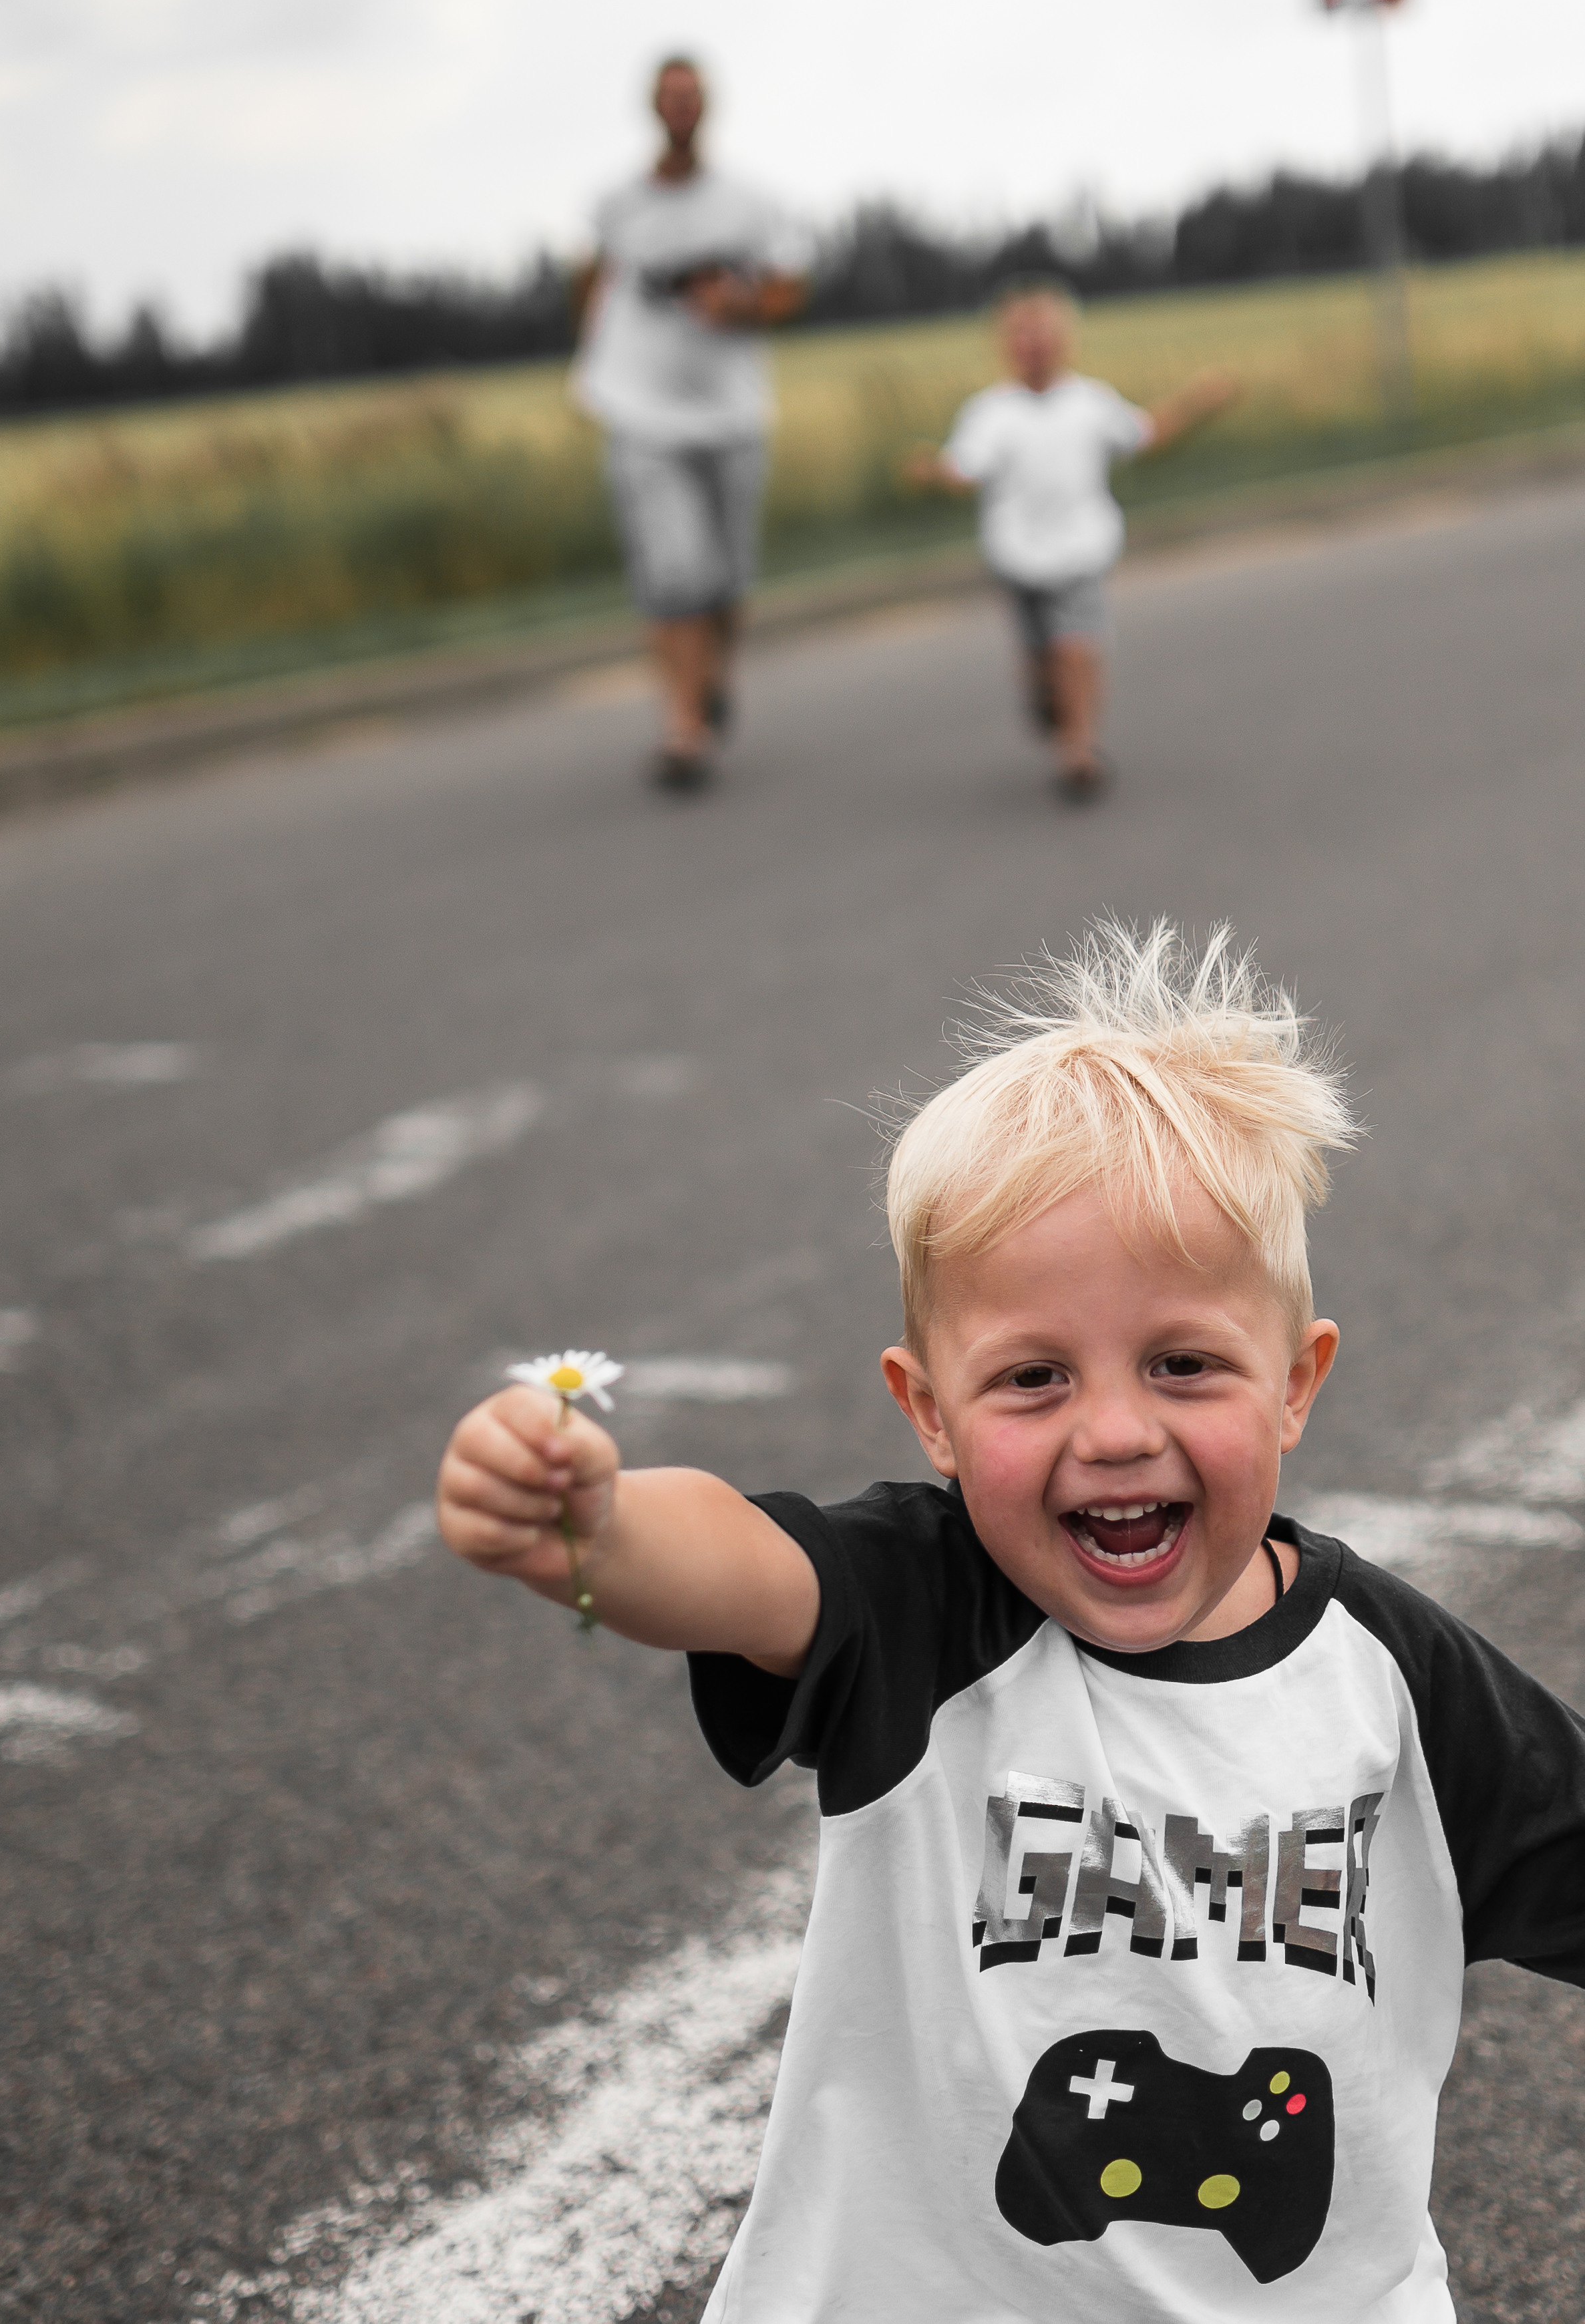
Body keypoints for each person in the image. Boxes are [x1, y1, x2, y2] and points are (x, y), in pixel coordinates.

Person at [436, 918, 1585, 2322]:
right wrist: (598, 1527)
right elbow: (737, 1558)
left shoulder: (1391, 1681)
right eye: (1033, 1376)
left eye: (1182, 1363)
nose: (1112, 1429)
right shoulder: (922, 1603)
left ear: (1295, 1379)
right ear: (927, 1409)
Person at [572, 55, 811, 792]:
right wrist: (597, 366)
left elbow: (788, 291)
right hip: (643, 414)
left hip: (730, 412)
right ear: (652, 106)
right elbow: (592, 281)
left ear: (708, 107)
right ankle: (683, 729)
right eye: (669, 96)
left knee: (727, 581)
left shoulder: (749, 202)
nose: (680, 107)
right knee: (673, 574)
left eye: (692, 96)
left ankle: (712, 679)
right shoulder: (616, 202)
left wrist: (736, 307)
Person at [909, 287, 1236, 803]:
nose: (1034, 345)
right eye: (1021, 335)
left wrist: (1198, 403)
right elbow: (964, 470)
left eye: (1044, 334)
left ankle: (1078, 750)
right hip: (1018, 556)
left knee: (1078, 646)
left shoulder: (1091, 402)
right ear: (1004, 346)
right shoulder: (990, 413)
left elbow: (1144, 436)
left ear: (1066, 342)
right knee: (1042, 653)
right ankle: (1047, 698)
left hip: (1081, 548)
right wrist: (932, 473)